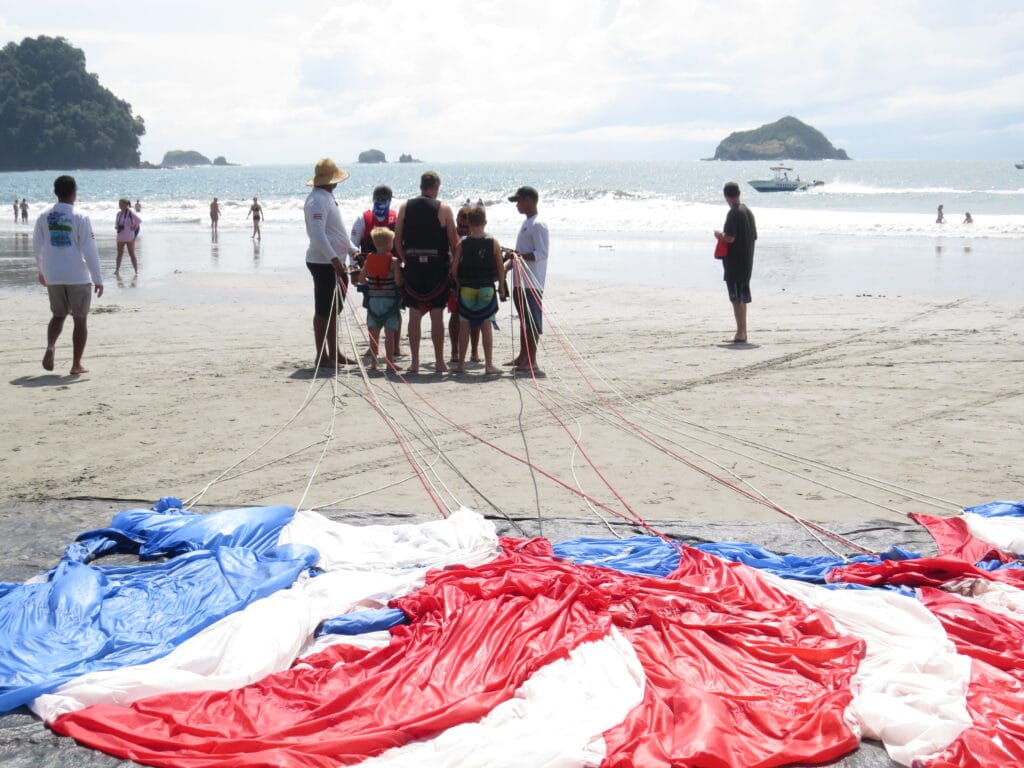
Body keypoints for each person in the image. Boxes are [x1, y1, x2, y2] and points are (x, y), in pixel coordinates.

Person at [33, 175, 104, 375]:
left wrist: (42, 271)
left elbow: (37, 247)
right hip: (77, 276)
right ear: (74, 193)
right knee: (80, 320)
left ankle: (50, 347)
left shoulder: (43, 216)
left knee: (57, 315)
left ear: (56, 192)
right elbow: (89, 249)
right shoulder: (80, 216)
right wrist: (97, 278)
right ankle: (76, 364)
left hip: (53, 274)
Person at [394, 171, 459, 374]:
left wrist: (406, 259)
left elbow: (397, 240)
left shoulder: (405, 206)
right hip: (436, 267)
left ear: (421, 186)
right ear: (436, 188)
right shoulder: (444, 208)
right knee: (437, 315)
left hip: (414, 264)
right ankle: (439, 362)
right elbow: (454, 243)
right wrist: (453, 266)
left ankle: (414, 363)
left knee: (414, 315)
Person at [304, 158, 357, 368]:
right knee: (323, 309)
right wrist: (333, 258)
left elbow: (338, 232)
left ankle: (334, 352)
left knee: (334, 309)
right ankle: (322, 355)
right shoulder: (317, 200)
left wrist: (352, 250)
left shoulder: (327, 197)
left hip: (335, 262)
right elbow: (317, 234)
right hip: (324, 263)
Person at [450, 205, 505, 375]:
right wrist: (502, 287)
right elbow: (500, 267)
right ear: (485, 222)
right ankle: (488, 365)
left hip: (467, 288)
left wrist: (458, 284)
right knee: (486, 325)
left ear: (470, 223)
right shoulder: (493, 242)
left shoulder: (463, 243)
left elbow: (454, 267)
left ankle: (461, 365)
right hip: (486, 288)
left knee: (465, 324)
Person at [350, 185, 403, 357]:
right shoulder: (395, 217)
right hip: (388, 272)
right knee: (394, 308)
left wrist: (355, 270)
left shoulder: (363, 218)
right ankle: (393, 347)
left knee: (376, 309)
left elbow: (352, 245)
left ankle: (388, 347)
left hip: (374, 273)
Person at [504, 186, 549, 373]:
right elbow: (521, 254)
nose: (517, 205)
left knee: (531, 322)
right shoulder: (528, 223)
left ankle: (532, 360)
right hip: (520, 281)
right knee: (524, 320)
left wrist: (517, 255)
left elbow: (541, 253)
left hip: (532, 282)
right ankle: (523, 356)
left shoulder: (538, 224)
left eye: (519, 201)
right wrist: (507, 265)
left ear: (530, 200)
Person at [714, 181, 757, 344]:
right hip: (746, 262)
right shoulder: (748, 211)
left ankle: (740, 333)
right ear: (738, 193)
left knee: (736, 299)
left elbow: (730, 237)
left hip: (735, 264)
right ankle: (742, 332)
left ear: (726, 196)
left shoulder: (733, 213)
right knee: (741, 299)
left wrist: (719, 235)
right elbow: (753, 237)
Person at [355, 227, 403, 371]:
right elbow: (398, 281)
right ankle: (389, 362)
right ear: (389, 244)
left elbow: (361, 279)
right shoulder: (393, 261)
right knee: (390, 333)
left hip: (373, 302)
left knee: (374, 333)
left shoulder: (368, 260)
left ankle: (374, 363)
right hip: (389, 301)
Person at [449, 205, 482, 363]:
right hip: (455, 280)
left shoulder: (478, 237)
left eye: (465, 226)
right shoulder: (451, 235)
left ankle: (474, 351)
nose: (461, 229)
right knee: (455, 314)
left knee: (475, 316)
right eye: (459, 225)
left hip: (474, 280)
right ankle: (454, 351)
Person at [114, 197, 142, 274]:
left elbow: (139, 221)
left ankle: (136, 270)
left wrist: (134, 226)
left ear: (126, 205)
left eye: (121, 204)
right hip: (120, 236)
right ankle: (117, 270)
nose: (120, 206)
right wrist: (117, 226)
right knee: (119, 253)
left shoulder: (130, 212)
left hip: (129, 236)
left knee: (131, 253)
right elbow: (116, 223)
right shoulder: (118, 214)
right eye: (119, 204)